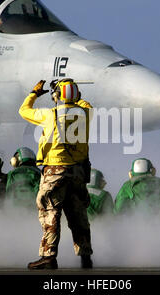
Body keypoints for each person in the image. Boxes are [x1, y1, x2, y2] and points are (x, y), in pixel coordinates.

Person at [19, 78, 94, 270]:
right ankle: (85, 255)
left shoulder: (50, 115)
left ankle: (48, 256)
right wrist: (73, 94)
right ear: (76, 96)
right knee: (78, 214)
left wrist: (34, 93)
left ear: (57, 96)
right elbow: (84, 103)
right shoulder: (85, 113)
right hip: (77, 171)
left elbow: (24, 110)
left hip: (55, 172)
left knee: (50, 211)